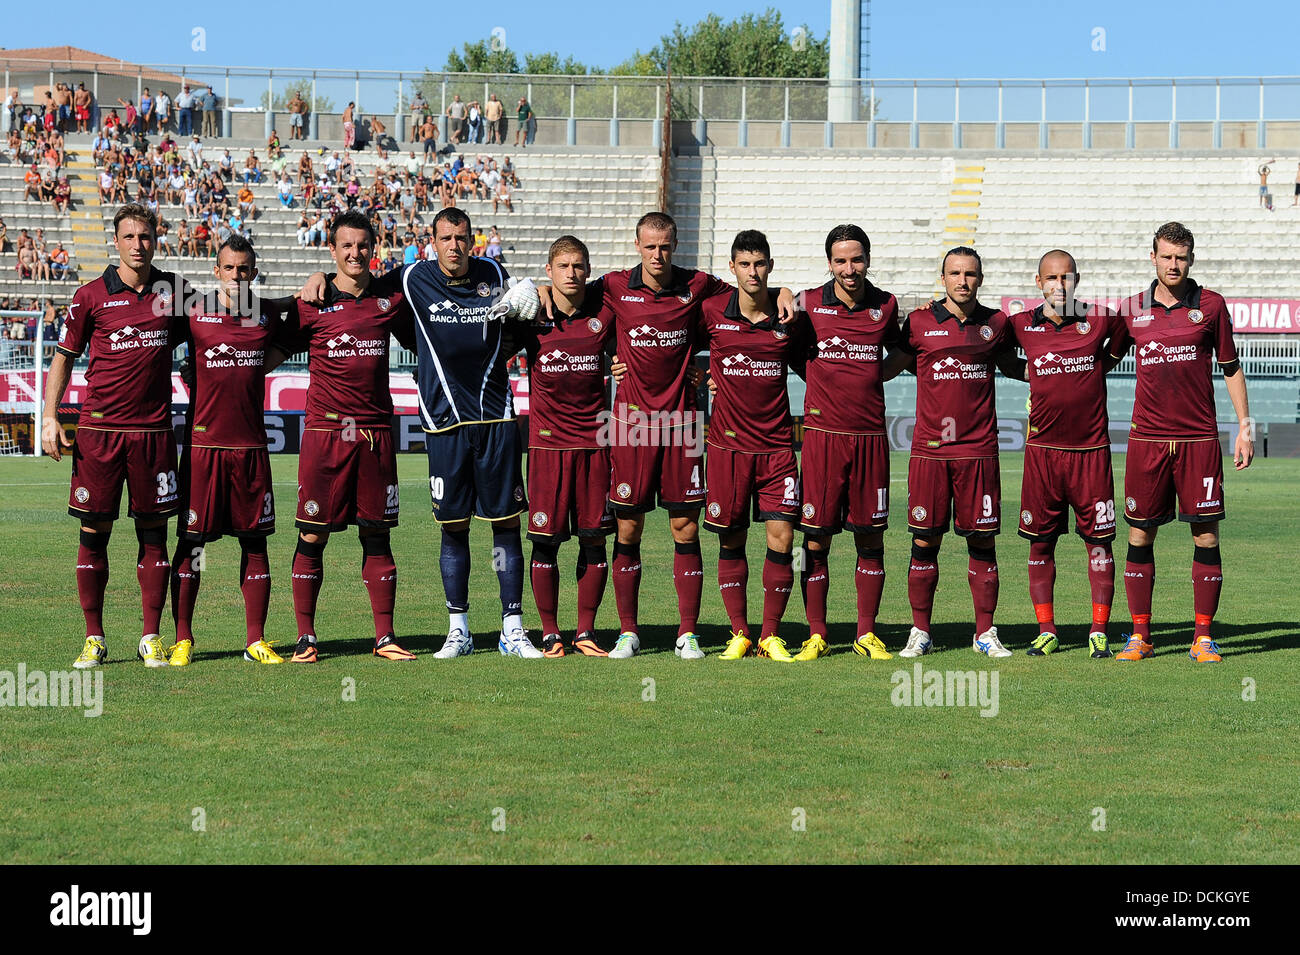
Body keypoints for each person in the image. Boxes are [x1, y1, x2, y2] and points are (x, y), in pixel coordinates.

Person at [539, 212, 794, 659]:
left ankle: (688, 632)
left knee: (685, 526)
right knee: (628, 526)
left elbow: (750, 294)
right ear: (637, 245)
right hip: (632, 427)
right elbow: (569, 293)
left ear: (675, 246)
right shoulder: (613, 286)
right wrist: (540, 289)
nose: (658, 255)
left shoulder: (699, 286)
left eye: (665, 246)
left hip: (683, 428)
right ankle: (628, 632)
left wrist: (784, 291)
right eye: (650, 246)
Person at [299, 207, 537, 657]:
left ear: (473, 240)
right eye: (445, 238)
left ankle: (512, 626)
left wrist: (534, 299)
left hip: (496, 418)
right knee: (454, 527)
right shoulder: (411, 279)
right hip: (443, 422)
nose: (454, 245)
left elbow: (525, 321)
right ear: (432, 242)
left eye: (462, 237)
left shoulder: (494, 273)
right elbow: (357, 280)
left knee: (505, 524)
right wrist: (320, 277)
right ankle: (459, 629)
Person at [262, 211, 417, 661]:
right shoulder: (312, 302)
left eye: (363, 245)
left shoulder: (391, 299)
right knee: (313, 535)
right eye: (346, 246)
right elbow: (266, 352)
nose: (355, 253)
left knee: (377, 535)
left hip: (374, 436)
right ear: (332, 250)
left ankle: (385, 637)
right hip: (325, 434)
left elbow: (430, 341)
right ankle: (307, 638)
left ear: (374, 248)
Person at [42, 204, 192, 670]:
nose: (138, 245)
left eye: (145, 236)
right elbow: (64, 359)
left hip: (152, 434)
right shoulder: (89, 296)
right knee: (94, 531)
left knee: (154, 532)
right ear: (116, 242)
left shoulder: (175, 292)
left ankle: (151, 637)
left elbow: (220, 324)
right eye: (129, 237)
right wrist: (49, 418)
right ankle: (94, 637)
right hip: (98, 432)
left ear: (156, 238)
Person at [1109, 222, 1253, 663]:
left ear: (1191, 259)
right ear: (1152, 257)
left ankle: (1203, 638)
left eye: (1182, 257)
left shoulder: (1211, 305)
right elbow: (1098, 366)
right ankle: (1141, 636)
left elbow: (1230, 367)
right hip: (1147, 441)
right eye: (1167, 256)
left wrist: (1244, 426)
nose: (1174, 264)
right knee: (1139, 533)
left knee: (1206, 536)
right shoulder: (1131, 309)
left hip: (1198, 440)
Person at [892, 247, 1027, 659]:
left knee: (983, 543)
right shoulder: (917, 322)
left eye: (970, 273)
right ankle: (920, 631)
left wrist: (1065, 376)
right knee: (924, 542)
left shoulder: (997, 325)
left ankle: (985, 633)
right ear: (943, 277)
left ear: (980, 279)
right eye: (955, 273)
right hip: (931, 453)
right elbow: (883, 366)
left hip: (979, 452)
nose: (962, 281)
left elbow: (1019, 367)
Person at [168, 235, 283, 666]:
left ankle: (256, 639)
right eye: (229, 268)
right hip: (202, 450)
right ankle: (183, 639)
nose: (237, 275)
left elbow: (300, 321)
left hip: (251, 448)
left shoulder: (269, 314)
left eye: (244, 269)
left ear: (253, 272)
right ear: (216, 271)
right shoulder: (193, 311)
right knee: (192, 545)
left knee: (255, 544)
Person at [1006, 251, 1126, 658]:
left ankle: (1098, 630)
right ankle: (1047, 629)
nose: (1059, 284)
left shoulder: (1102, 319)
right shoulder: (1020, 324)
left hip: (1091, 452)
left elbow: (1122, 342)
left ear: (1077, 280)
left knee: (1099, 544)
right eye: (1051, 278)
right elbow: (1002, 357)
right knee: (1041, 544)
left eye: (1066, 277)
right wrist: (1035, 372)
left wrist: (1099, 365)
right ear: (1039, 282)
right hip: (1042, 453)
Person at [696, 231, 809, 662]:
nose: (753, 272)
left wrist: (787, 295)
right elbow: (671, 341)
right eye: (744, 264)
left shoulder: (789, 319)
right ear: (732, 268)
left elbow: (815, 363)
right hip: (727, 450)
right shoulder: (710, 313)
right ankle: (739, 632)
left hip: (778, 448)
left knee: (782, 538)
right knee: (731, 540)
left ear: (770, 266)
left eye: (760, 264)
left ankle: (770, 635)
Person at [791, 225, 902, 661]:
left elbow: (903, 351)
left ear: (868, 259)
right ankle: (816, 633)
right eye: (840, 261)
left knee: (870, 539)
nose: (849, 268)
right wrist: (819, 381)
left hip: (871, 438)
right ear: (829, 263)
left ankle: (865, 634)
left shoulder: (886, 305)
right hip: (822, 439)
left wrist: (874, 376)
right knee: (815, 541)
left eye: (856, 259)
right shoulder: (809, 304)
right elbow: (787, 350)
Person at [519, 236, 615, 656]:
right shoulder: (531, 317)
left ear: (588, 271)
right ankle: (550, 632)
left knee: (595, 539)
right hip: (547, 450)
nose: (571, 273)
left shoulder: (606, 316)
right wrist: (530, 291)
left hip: (596, 447)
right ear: (549, 271)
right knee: (545, 543)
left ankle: (587, 632)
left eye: (578, 266)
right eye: (563, 266)